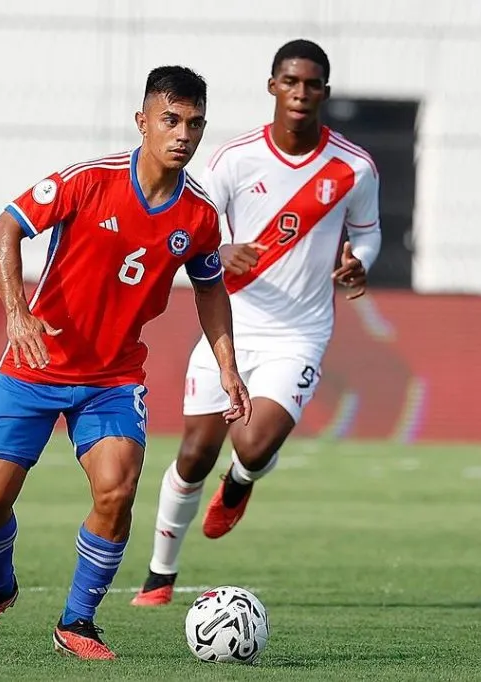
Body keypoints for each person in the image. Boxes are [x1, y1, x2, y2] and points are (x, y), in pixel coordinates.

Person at [0, 65, 252, 660]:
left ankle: (77, 623)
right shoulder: (88, 181)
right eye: (170, 120)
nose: (182, 134)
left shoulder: (199, 215)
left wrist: (228, 366)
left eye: (194, 124)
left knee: (117, 491)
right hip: (34, 365)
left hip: (112, 378)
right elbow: (3, 229)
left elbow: (210, 287)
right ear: (143, 121)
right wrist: (17, 313)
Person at [131, 39, 382, 607]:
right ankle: (159, 575)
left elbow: (367, 234)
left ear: (324, 92)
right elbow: (195, 223)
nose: (300, 92)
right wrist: (222, 250)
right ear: (273, 86)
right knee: (195, 454)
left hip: (300, 332)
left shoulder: (354, 167)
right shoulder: (234, 159)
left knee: (251, 443)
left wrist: (359, 262)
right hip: (230, 325)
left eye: (311, 84)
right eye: (290, 81)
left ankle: (241, 481)